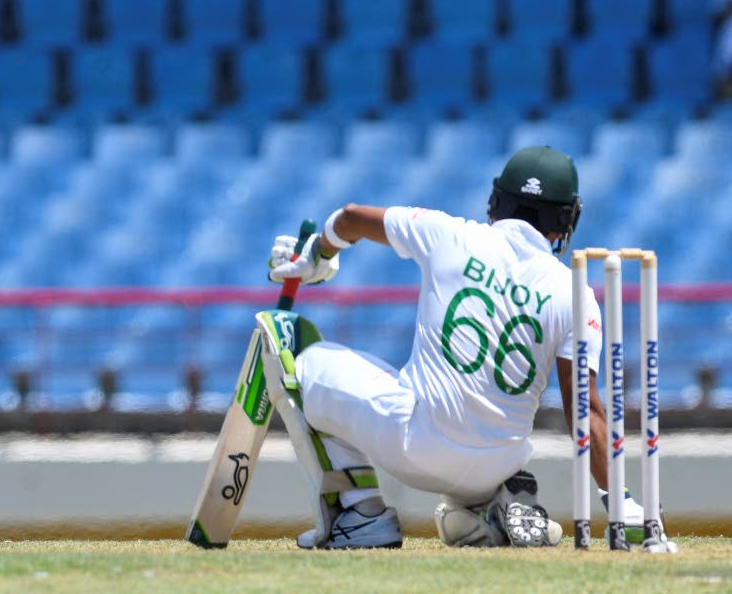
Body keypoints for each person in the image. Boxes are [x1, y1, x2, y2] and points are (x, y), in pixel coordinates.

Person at [265, 146, 645, 549]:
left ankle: (362, 516)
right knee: (484, 443)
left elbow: (352, 216)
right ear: (565, 219)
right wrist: (620, 500)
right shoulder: (577, 294)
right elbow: (585, 411)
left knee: (305, 363)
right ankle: (491, 506)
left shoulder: (447, 233)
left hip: (417, 449)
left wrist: (317, 256)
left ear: (496, 200)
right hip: (499, 462)